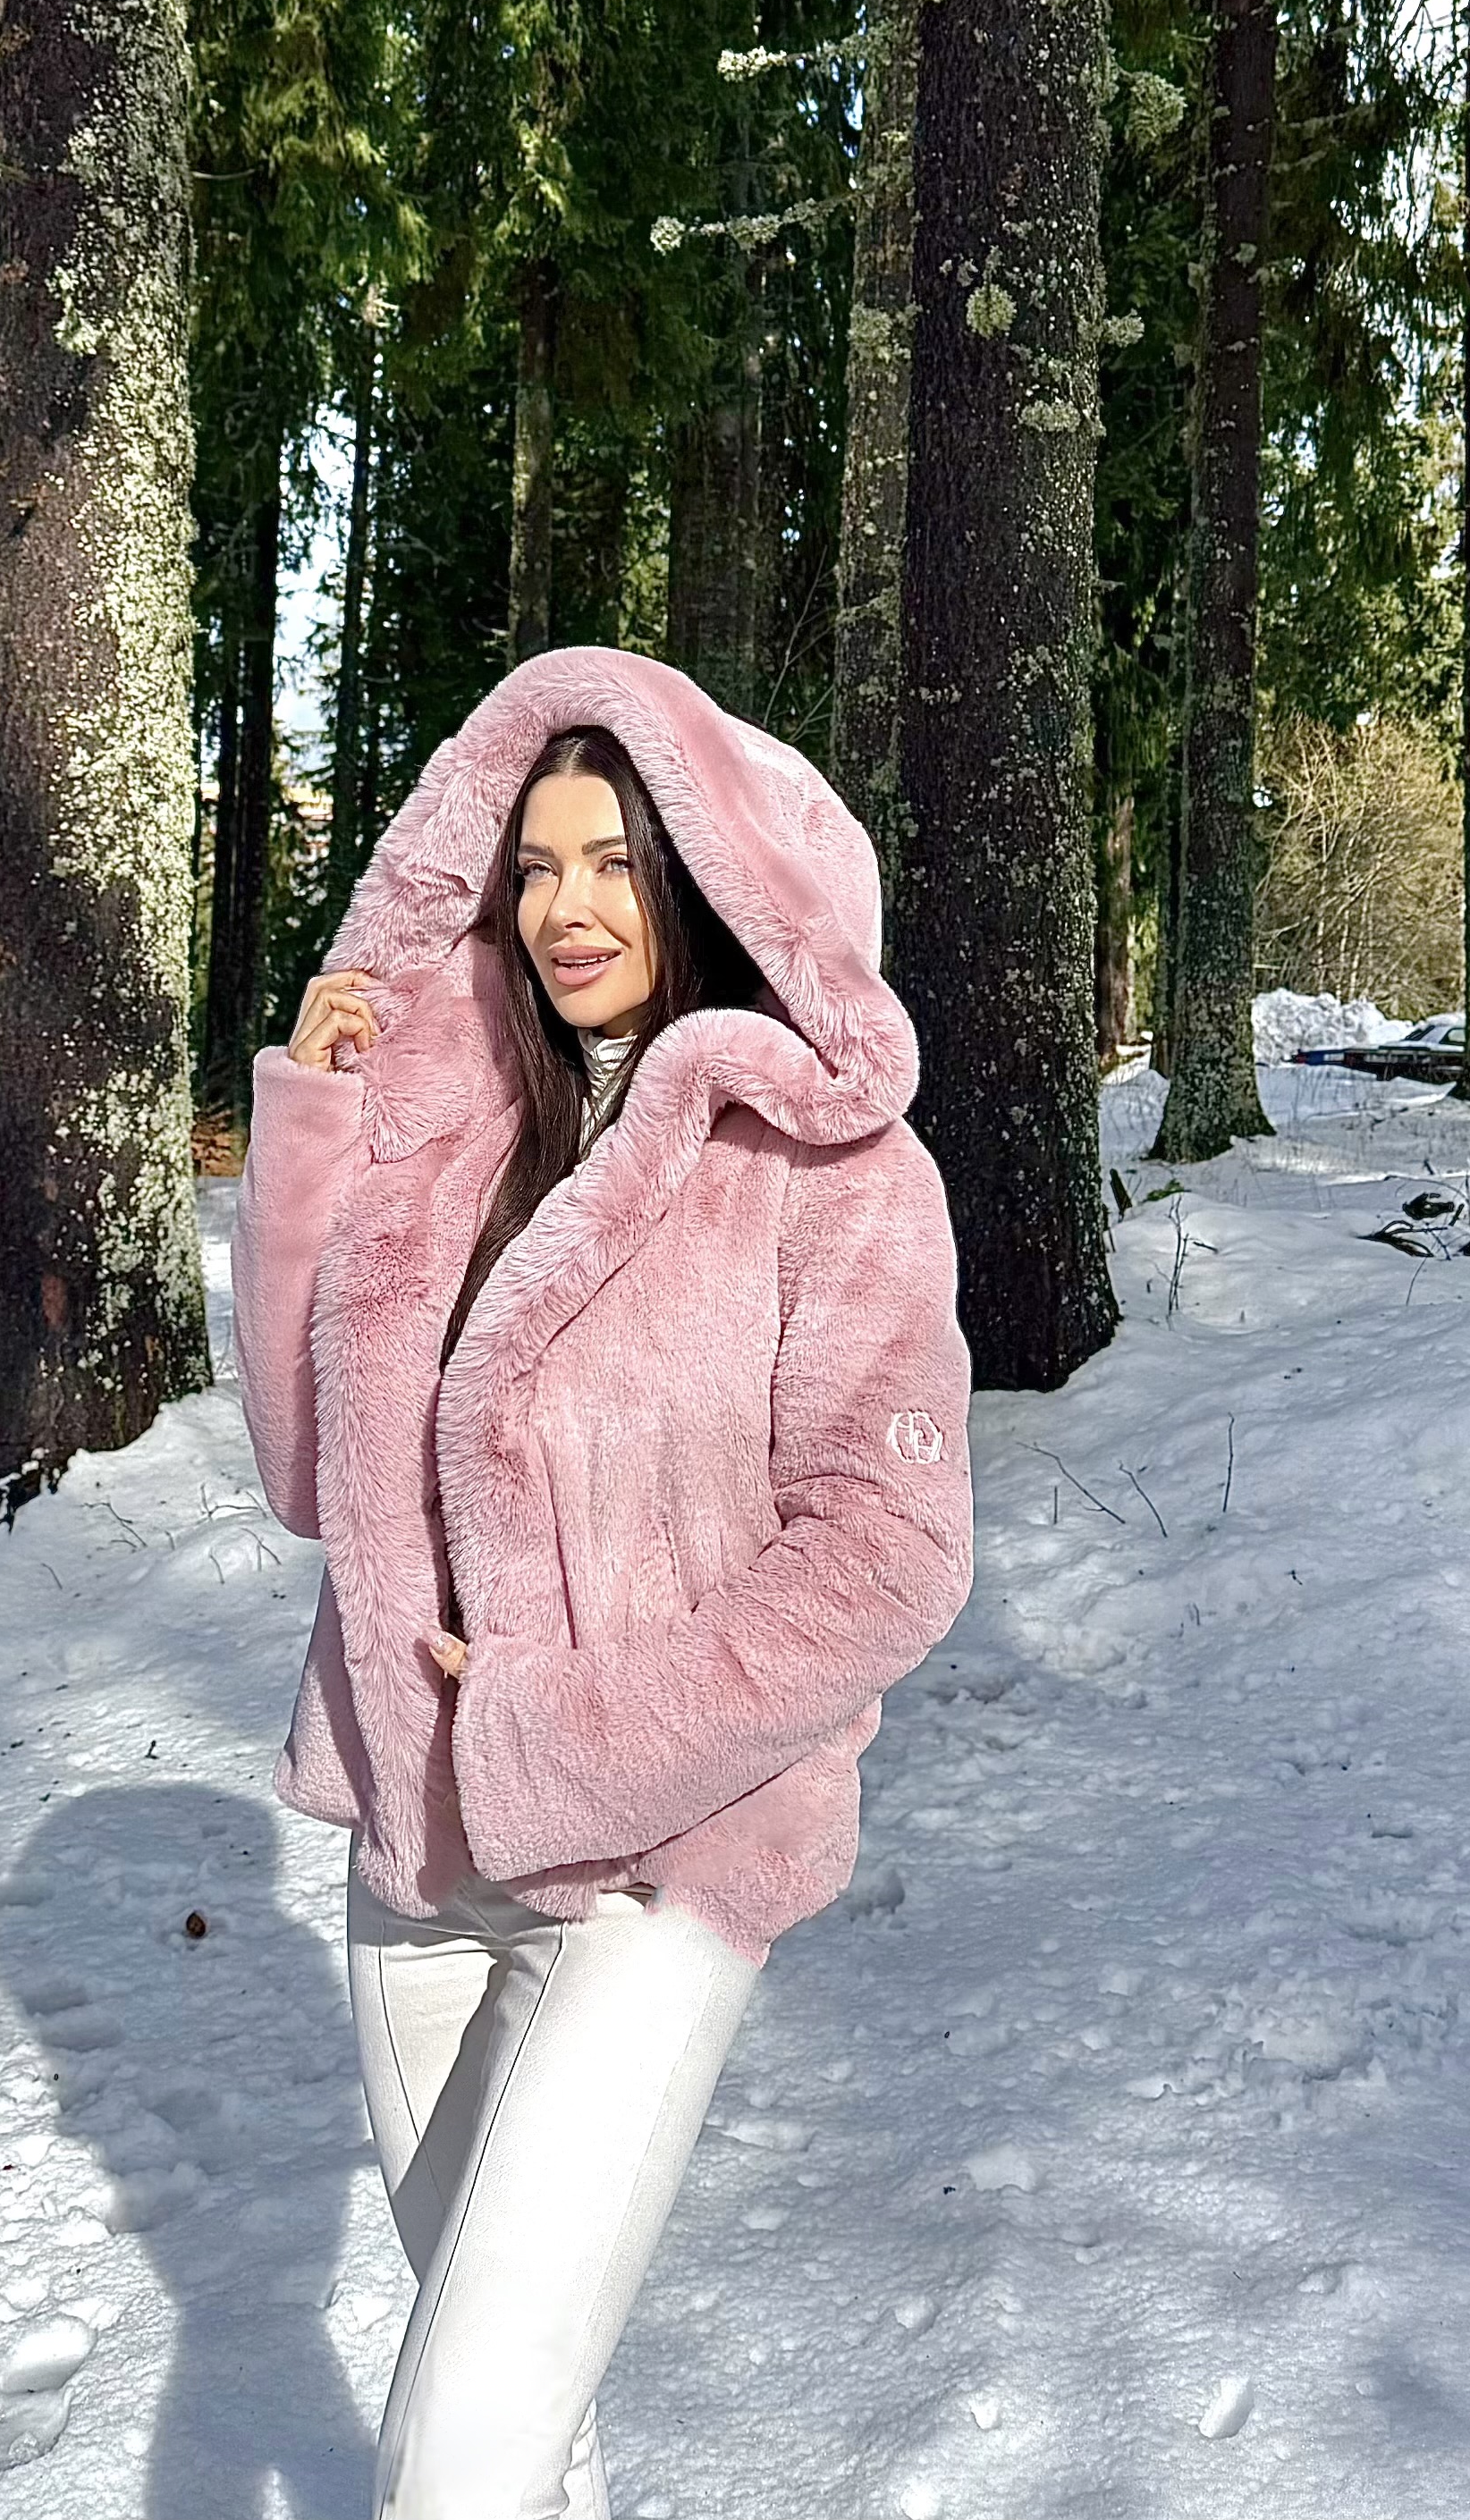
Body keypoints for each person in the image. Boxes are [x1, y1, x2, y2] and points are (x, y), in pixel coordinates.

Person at [230, 645, 973, 2520]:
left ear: (709, 874)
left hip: (655, 1872)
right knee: (522, 2436)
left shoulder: (831, 1168)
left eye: (615, 860)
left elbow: (886, 1553)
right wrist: (318, 1132)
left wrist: (561, 1726)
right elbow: (310, 1475)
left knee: (454, 2460)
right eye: (534, 864)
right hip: (413, 1867)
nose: (565, 904)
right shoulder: (456, 1137)